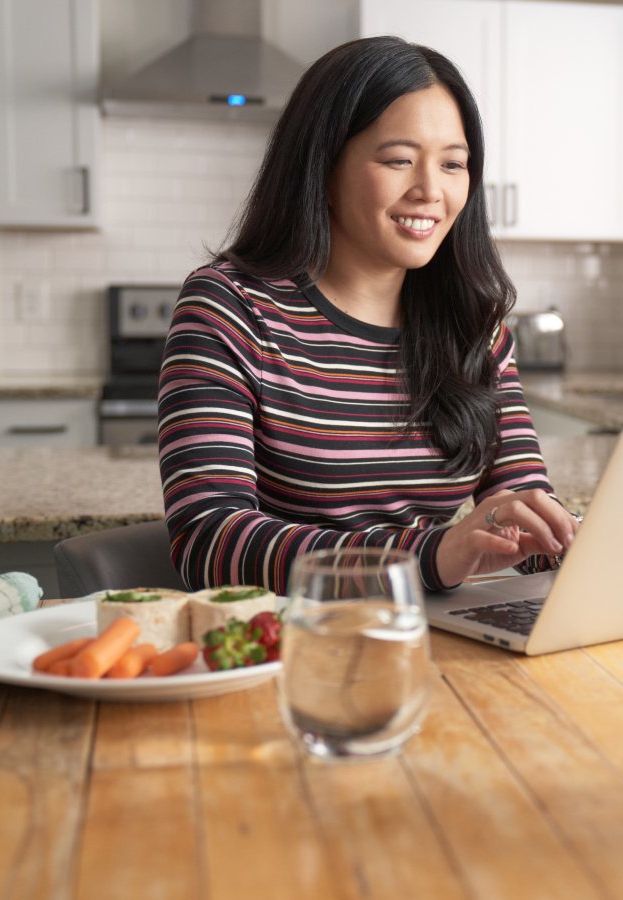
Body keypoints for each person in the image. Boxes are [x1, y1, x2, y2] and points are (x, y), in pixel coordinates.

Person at [158, 36, 579, 594]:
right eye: (399, 160)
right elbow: (209, 543)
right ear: (325, 168)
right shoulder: (230, 309)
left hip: (431, 635)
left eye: (453, 164)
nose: (431, 191)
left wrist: (564, 540)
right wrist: (429, 556)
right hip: (292, 648)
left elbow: (520, 504)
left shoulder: (473, 325)